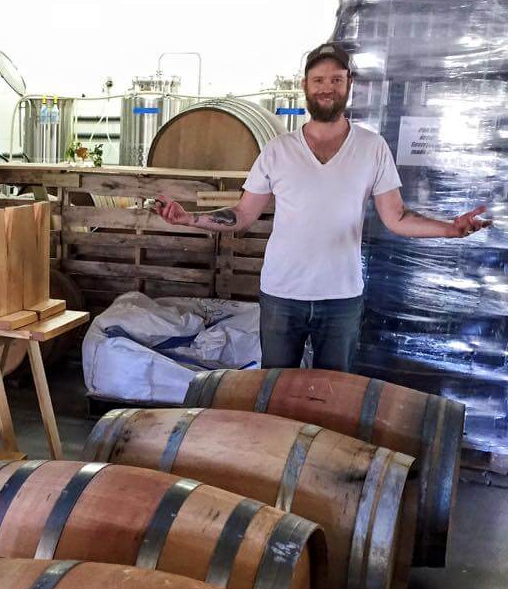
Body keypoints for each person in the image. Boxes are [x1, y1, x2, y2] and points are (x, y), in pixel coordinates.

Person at [153, 42, 491, 371]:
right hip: (282, 294)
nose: (327, 88)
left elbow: (397, 217)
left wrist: (449, 229)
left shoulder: (372, 148)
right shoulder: (278, 150)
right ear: (305, 86)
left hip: (341, 297)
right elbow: (242, 215)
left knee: (332, 398)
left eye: (336, 80)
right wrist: (188, 218)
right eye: (319, 80)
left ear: (349, 85)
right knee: (276, 392)